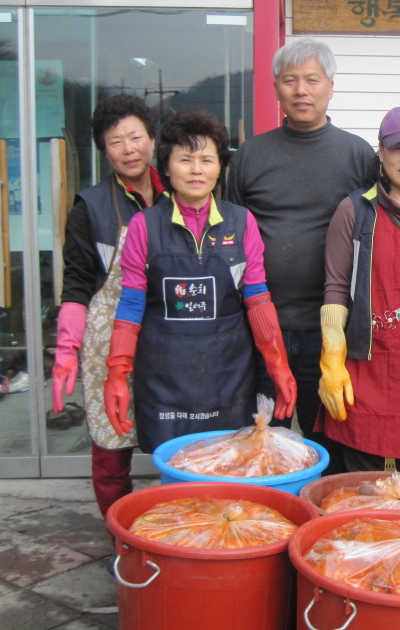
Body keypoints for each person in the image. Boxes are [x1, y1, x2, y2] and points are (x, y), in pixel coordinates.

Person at [103, 109, 296, 453]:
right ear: (166, 167)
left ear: (219, 168)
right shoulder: (144, 226)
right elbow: (131, 302)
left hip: (228, 374)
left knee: (228, 467)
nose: (196, 170)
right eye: (185, 160)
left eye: (207, 160)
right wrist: (117, 371)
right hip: (164, 375)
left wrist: (277, 363)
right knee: (175, 469)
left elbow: (257, 298)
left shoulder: (242, 222)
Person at [225, 40, 373, 473]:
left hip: (329, 332)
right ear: (276, 88)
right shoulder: (251, 155)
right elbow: (231, 237)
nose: (301, 90)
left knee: (329, 447)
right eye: (290, 81)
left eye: (312, 80)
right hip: (262, 328)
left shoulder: (358, 154)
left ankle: (319, 513)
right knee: (261, 445)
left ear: (331, 87)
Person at [316, 105, 400, 472]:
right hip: (363, 366)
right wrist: (331, 360)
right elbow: (335, 289)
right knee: (361, 484)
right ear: (380, 153)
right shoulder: (354, 211)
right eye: (397, 148)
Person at [51, 94, 162, 517]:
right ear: (104, 150)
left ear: (152, 139)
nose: (129, 149)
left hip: (169, 337)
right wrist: (67, 349)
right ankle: (120, 533)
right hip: (107, 341)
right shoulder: (90, 207)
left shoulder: (178, 193)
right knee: (111, 448)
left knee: (178, 438)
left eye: (135, 137)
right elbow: (77, 285)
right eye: (116, 142)